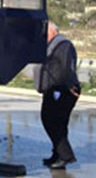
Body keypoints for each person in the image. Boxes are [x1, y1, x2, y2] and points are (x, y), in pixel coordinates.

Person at [34, 21, 81, 169]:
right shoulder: (52, 45)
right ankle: (57, 154)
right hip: (53, 89)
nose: (43, 36)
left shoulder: (63, 45)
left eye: (45, 33)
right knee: (58, 122)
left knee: (52, 121)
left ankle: (66, 156)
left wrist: (69, 86)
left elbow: (67, 68)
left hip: (61, 89)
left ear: (53, 32)